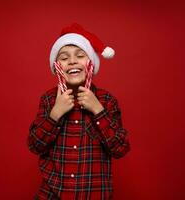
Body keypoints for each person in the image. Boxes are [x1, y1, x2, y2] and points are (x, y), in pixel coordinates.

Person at [27, 23, 130, 200]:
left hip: (93, 194)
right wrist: (55, 114)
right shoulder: (49, 100)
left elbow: (120, 148)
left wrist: (98, 110)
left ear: (91, 63)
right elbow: (34, 145)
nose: (72, 61)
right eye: (64, 58)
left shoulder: (106, 101)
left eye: (80, 55)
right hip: (52, 194)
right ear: (56, 66)